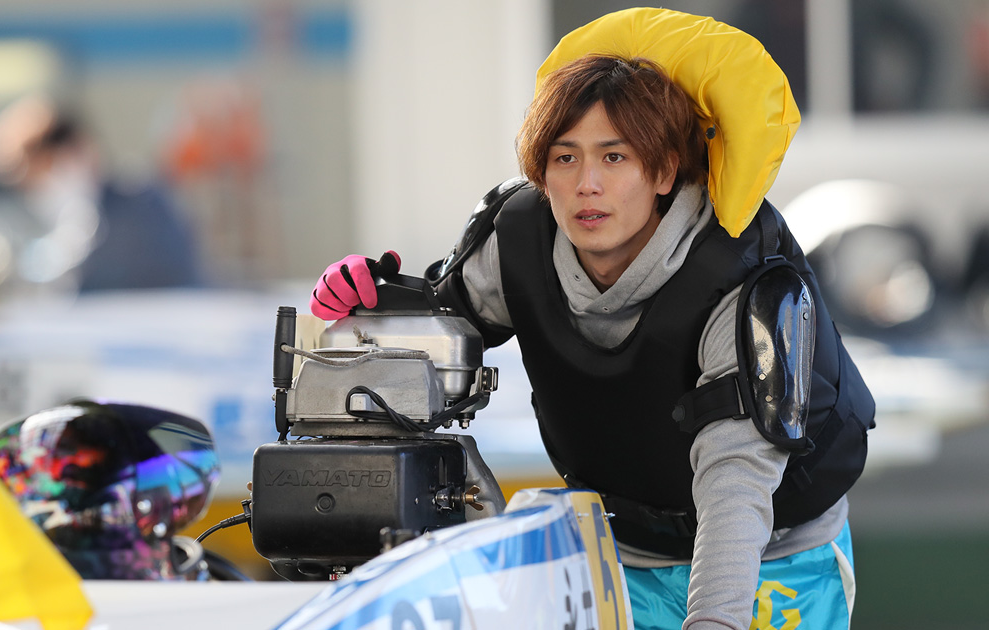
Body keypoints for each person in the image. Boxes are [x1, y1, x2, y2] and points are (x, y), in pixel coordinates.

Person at [309, 9, 875, 630]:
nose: (587, 185)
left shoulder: (737, 282)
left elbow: (736, 485)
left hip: (774, 558)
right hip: (618, 551)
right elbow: (438, 336)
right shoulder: (518, 245)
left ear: (664, 171)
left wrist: (715, 620)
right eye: (565, 157)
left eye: (614, 157)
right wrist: (367, 307)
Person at [0, 95, 204, 292]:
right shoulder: (80, 221)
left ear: (73, 153)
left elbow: (91, 276)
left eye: (37, 177)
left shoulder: (140, 205)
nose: (35, 193)